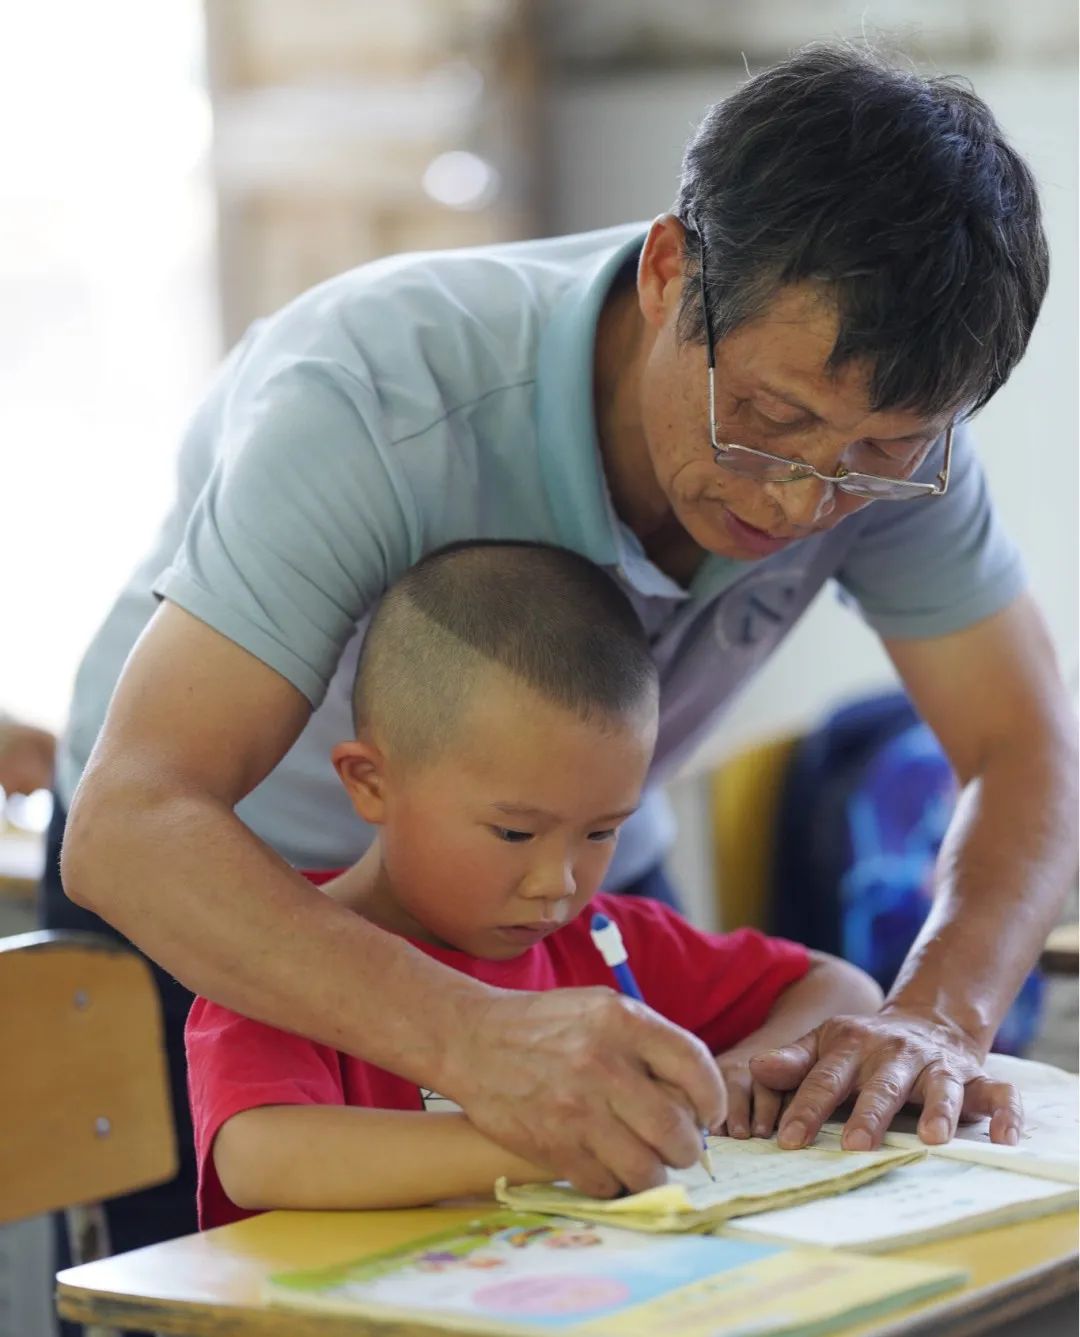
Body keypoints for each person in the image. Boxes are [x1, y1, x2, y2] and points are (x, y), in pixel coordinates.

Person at [53, 41, 1077, 1262]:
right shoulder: (378, 394)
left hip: (580, 893)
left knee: (696, 1267)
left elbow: (1025, 748)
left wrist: (939, 1016)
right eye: (768, 418)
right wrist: (472, 1038)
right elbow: (134, 822)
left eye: (878, 455)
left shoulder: (886, 450)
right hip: (238, 890)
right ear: (668, 272)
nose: (803, 503)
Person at [186, 541, 883, 1228]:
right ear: (371, 783)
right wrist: (553, 1136)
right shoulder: (279, 955)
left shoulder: (606, 940)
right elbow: (257, 1156)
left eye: (602, 831)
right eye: (515, 833)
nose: (558, 883)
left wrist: (744, 1069)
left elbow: (841, 987)